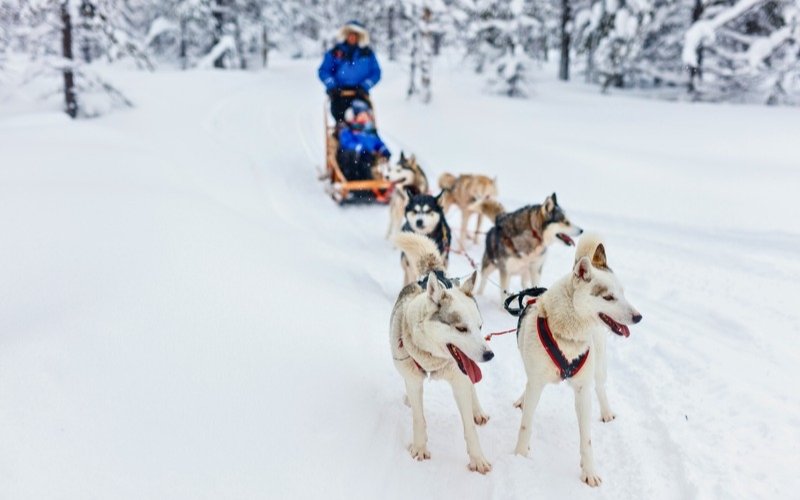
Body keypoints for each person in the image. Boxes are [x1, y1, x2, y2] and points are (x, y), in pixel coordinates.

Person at [318, 20, 382, 122]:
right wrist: (332, 85)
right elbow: (324, 71)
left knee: (362, 115)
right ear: (346, 35)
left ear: (359, 36)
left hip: (360, 92)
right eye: (350, 34)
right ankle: (344, 132)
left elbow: (376, 73)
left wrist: (365, 86)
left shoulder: (367, 53)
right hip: (339, 93)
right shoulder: (335, 52)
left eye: (355, 35)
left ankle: (363, 133)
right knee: (341, 116)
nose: (352, 37)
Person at [336, 99, 390, 181]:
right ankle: (354, 182)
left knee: (374, 162)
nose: (364, 118)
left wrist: (383, 149)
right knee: (354, 157)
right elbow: (346, 143)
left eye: (366, 116)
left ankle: (376, 180)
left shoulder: (369, 131)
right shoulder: (347, 130)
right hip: (352, 159)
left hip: (368, 158)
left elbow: (376, 142)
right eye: (361, 116)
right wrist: (360, 148)